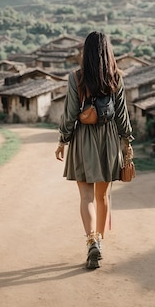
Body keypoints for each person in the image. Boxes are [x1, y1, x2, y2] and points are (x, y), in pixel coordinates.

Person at [56, 31, 133, 270]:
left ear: (85, 52)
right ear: (108, 51)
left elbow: (69, 114)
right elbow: (121, 114)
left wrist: (63, 140)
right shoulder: (116, 78)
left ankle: (91, 242)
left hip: (83, 139)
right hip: (109, 140)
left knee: (86, 197)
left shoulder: (76, 78)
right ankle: (99, 242)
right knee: (102, 197)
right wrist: (127, 141)